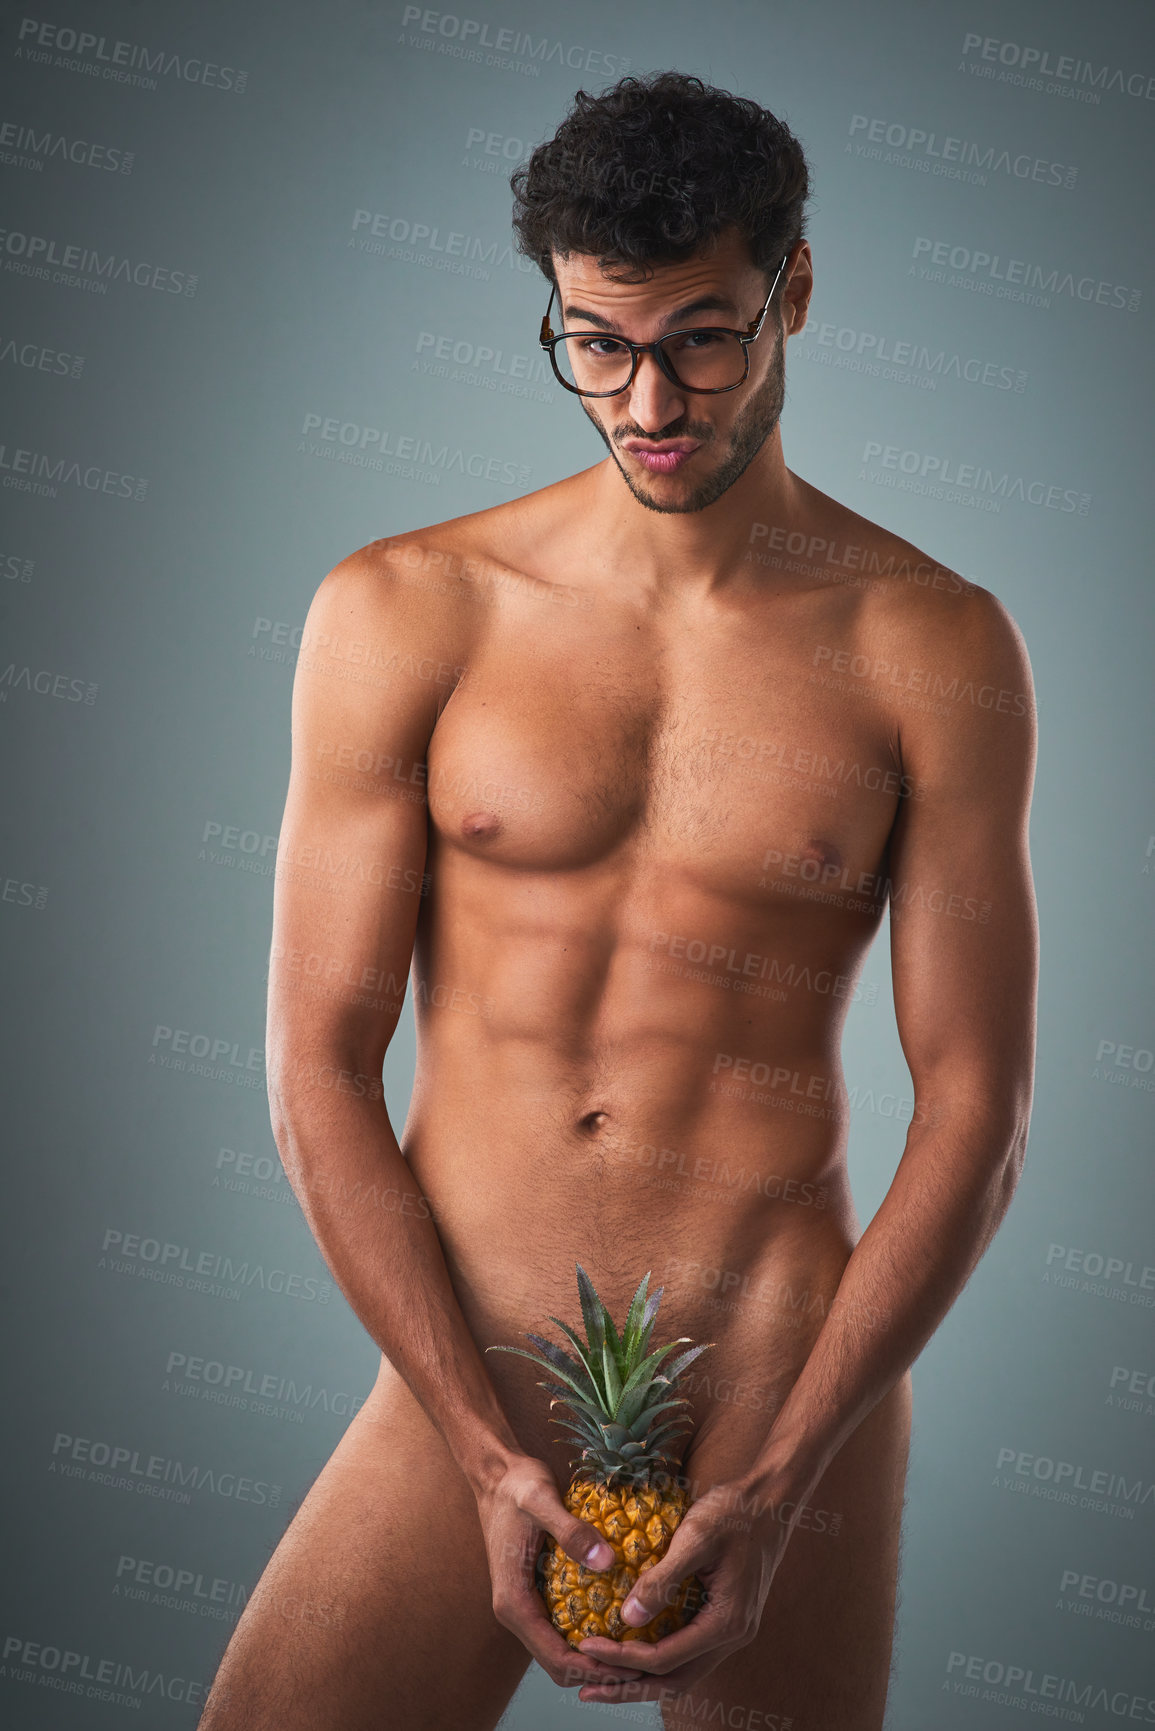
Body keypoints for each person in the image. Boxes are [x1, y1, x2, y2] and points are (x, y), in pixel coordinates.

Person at [199, 70, 1038, 1731]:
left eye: (705, 338)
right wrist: (477, 1442)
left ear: (793, 289)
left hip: (795, 1360)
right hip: (487, 1357)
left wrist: (788, 1475)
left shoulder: (931, 646)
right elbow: (314, 1069)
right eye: (596, 341)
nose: (648, 399)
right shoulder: (408, 611)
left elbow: (978, 1110)